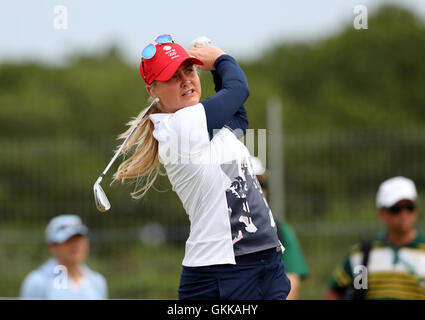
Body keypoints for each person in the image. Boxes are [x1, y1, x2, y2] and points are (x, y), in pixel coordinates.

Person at [113, 34, 291, 300]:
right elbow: (238, 89)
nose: (186, 80)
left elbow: (239, 119)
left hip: (263, 262)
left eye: (189, 70)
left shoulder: (203, 124)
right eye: (173, 76)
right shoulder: (179, 127)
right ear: (153, 90)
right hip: (222, 271)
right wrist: (220, 58)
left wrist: (218, 71)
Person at [325, 176, 425, 300]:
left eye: (409, 207)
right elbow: (337, 291)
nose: (404, 214)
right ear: (382, 213)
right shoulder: (363, 255)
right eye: (396, 209)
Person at [250, 156, 310, 300]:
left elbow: (292, 282)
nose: (258, 190)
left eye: (261, 184)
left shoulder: (280, 231)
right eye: (250, 184)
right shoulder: (215, 231)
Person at [20, 215, 108, 299]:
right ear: (53, 246)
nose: (76, 245)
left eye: (79, 239)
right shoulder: (37, 282)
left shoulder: (97, 282)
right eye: (68, 240)